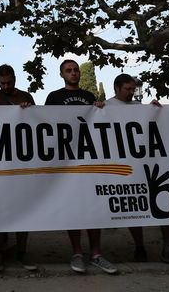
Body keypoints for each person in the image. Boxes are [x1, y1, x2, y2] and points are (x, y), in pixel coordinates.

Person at [106, 73, 169, 270]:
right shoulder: (106, 107)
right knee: (133, 205)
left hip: (146, 162)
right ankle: (140, 246)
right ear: (117, 88)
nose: (132, 93)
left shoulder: (139, 107)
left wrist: (159, 111)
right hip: (124, 167)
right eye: (128, 89)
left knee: (165, 198)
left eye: (133, 89)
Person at [44, 59, 117, 275]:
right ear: (61, 74)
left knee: (93, 206)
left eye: (76, 70)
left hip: (90, 160)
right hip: (66, 161)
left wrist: (100, 108)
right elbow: (45, 123)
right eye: (69, 70)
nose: (74, 73)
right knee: (74, 207)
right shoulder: (54, 97)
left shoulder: (89, 97)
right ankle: (77, 253)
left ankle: (96, 254)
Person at [0, 65, 37, 273]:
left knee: (23, 209)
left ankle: (22, 252)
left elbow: (36, 123)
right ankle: (0, 251)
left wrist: (27, 110)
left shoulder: (26, 96)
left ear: (15, 79)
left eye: (9, 82)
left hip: (21, 162)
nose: (6, 86)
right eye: (2, 83)